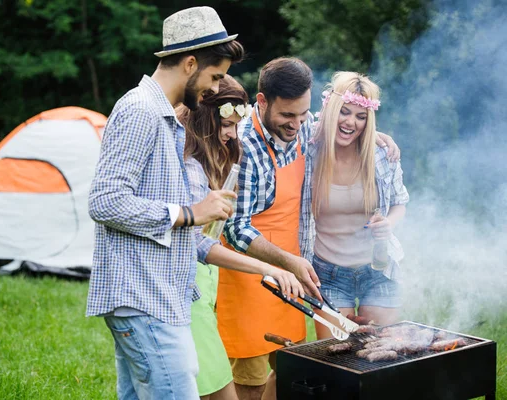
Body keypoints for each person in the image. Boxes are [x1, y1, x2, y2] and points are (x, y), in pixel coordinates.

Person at [86, 7, 245, 399]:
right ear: (190, 63)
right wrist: (192, 213)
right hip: (143, 298)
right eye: (214, 76)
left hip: (159, 297)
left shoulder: (165, 116)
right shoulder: (140, 110)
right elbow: (105, 201)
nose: (214, 88)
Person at [220, 58, 401, 400]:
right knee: (251, 378)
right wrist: (288, 262)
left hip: (293, 274)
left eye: (303, 114)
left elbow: (334, 123)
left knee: (290, 368)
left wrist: (375, 134)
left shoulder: (303, 127)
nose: (297, 123)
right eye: (288, 115)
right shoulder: (245, 148)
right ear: (262, 102)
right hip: (250, 279)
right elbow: (235, 229)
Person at [177, 75, 305, 400]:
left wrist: (376, 136)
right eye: (228, 125)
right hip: (192, 295)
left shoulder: (216, 155)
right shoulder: (192, 168)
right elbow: (201, 243)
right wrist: (272, 268)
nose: (234, 135)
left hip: (206, 289)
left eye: (236, 124)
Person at [303, 71, 409, 338]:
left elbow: (399, 203)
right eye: (345, 112)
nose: (351, 122)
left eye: (361, 117)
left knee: (380, 353)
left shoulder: (381, 155)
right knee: (334, 358)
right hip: (327, 273)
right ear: (330, 108)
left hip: (378, 269)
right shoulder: (309, 150)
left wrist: (388, 224)